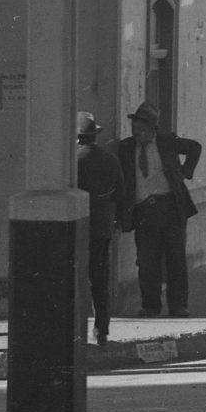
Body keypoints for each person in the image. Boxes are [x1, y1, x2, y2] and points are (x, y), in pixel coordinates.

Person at [122, 103, 202, 321]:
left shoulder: (167, 141)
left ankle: (178, 306)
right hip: (143, 211)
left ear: (152, 129)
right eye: (133, 128)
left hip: (170, 208)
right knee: (147, 261)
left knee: (176, 259)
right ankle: (150, 306)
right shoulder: (126, 147)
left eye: (140, 128)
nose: (136, 132)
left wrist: (186, 171)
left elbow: (195, 147)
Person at [75, 112, 127, 343]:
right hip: (101, 227)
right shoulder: (110, 160)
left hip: (77, 228)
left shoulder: (72, 162)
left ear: (77, 138)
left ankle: (76, 330)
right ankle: (101, 329)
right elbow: (120, 193)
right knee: (100, 281)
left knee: (75, 280)